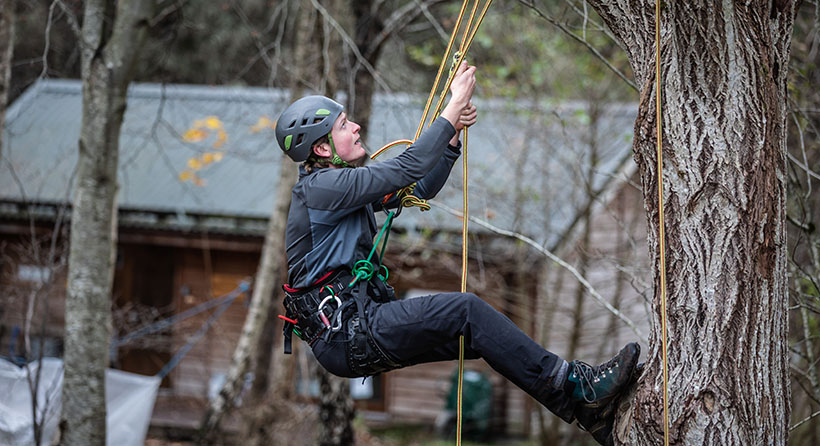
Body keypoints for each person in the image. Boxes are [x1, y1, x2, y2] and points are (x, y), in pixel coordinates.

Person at [275, 61, 639, 446]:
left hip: (353, 332)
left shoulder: (339, 189)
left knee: (478, 335)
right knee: (466, 310)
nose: (356, 127)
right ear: (321, 148)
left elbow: (419, 185)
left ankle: (586, 414)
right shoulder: (320, 190)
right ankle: (575, 383)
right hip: (347, 333)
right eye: (344, 125)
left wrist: (450, 139)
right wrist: (451, 109)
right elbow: (406, 166)